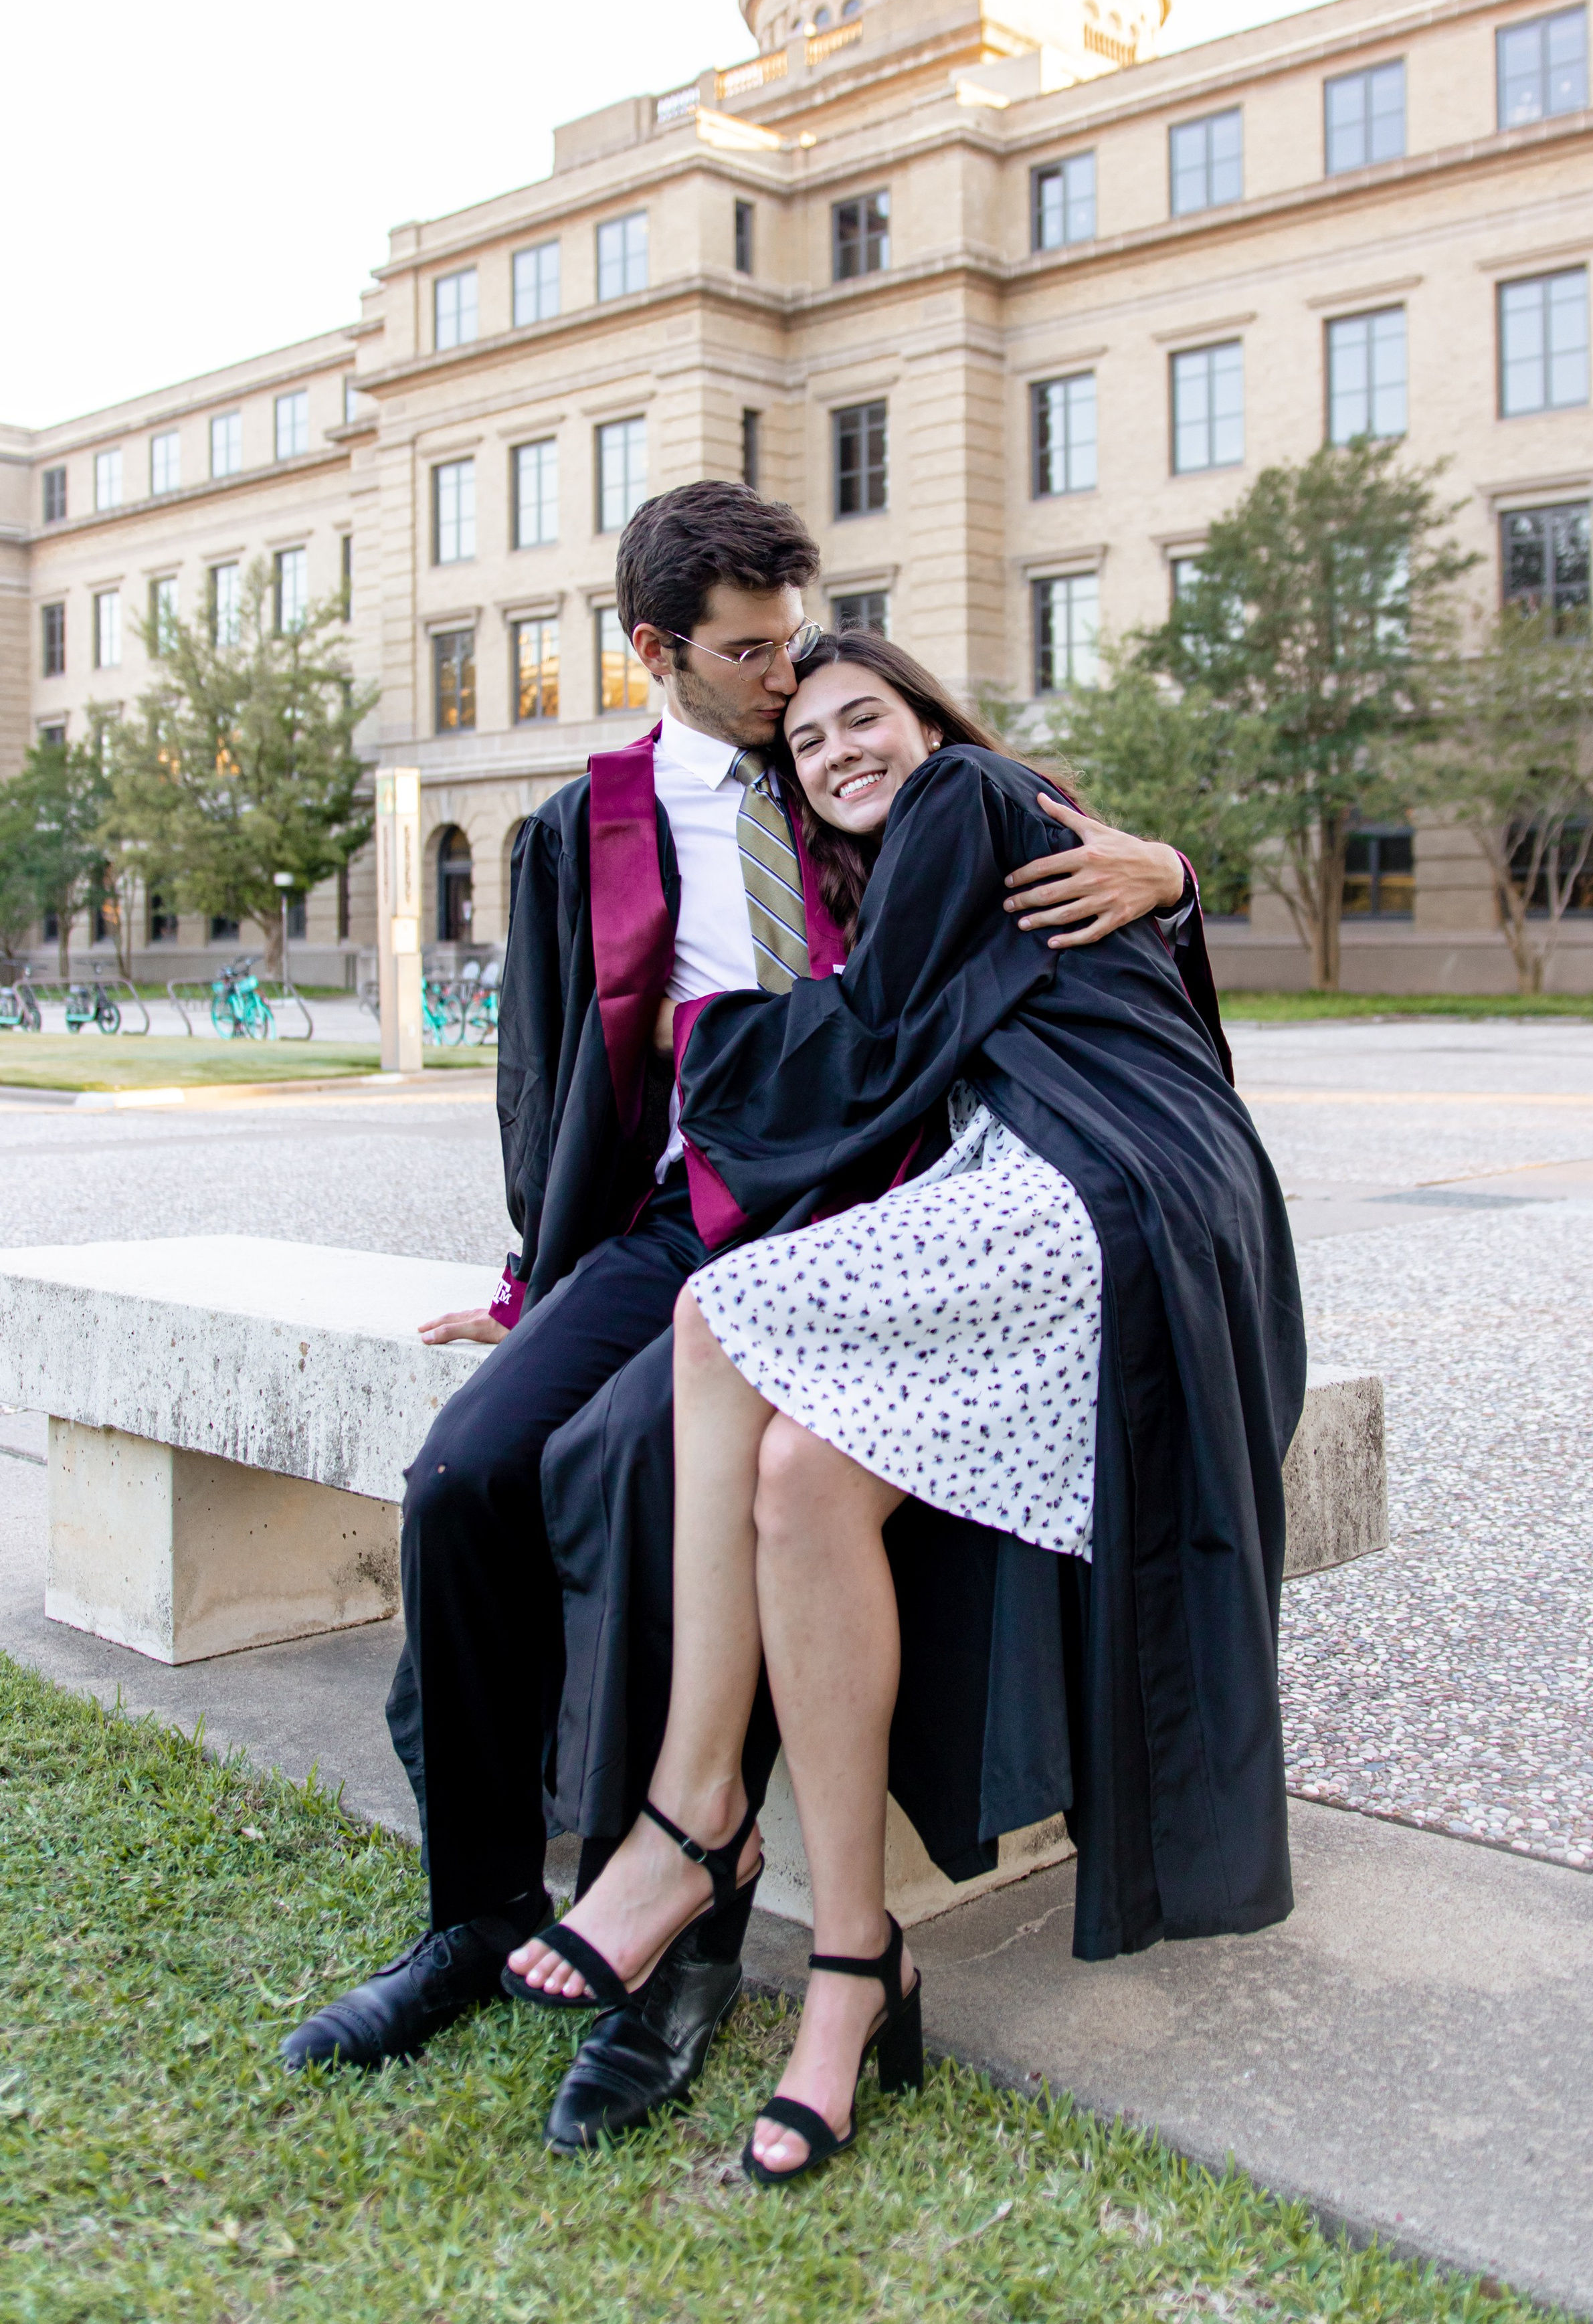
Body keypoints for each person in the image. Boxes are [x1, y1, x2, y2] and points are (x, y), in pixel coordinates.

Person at [283, 488, 1193, 2101]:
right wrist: (530, 1274)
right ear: (658, 653)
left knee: (642, 1468)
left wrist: (1165, 863)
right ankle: (474, 1912)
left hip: (877, 1209)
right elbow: (551, 1073)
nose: (788, 684)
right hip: (679, 1219)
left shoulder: (875, 759)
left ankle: (681, 1944)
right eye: (751, 653)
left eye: (799, 639)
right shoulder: (597, 822)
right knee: (466, 1474)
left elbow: (1042, 883)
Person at [504, 632, 1305, 2180]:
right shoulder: (987, 840)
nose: (837, 752)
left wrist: (700, 1035)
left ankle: (688, 1818)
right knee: (801, 1475)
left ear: (927, 717)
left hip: (1105, 1184)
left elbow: (857, 1041)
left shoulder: (963, 798)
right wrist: (1180, 876)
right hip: (1125, 1192)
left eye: (859, 716)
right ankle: (854, 1973)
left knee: (712, 1314)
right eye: (806, 747)